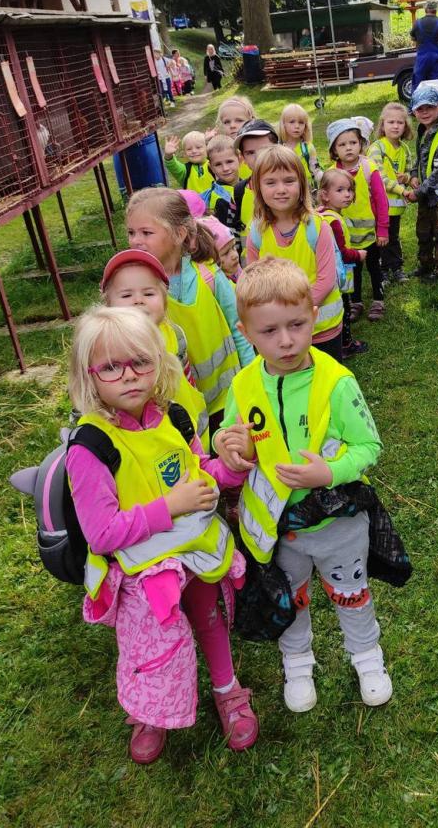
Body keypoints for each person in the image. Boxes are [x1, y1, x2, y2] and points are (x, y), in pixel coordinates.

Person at [66, 305, 258, 763]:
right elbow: (102, 534)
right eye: (111, 367)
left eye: (141, 362)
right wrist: (169, 507)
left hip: (192, 555)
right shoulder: (90, 447)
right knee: (152, 643)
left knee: (208, 619)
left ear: (159, 361)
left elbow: (198, 474)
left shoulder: (173, 417)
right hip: (143, 574)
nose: (129, 375)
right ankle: (149, 710)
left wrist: (230, 470)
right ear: (88, 376)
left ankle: (227, 690)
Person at [214, 256, 393, 713]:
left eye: (296, 325)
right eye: (269, 331)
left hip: (338, 524)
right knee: (289, 598)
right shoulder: (243, 386)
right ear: (246, 331)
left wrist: (328, 473)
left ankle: (366, 656)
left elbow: (369, 445)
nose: (286, 341)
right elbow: (233, 436)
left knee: (351, 594)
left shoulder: (336, 383)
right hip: (278, 531)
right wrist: (229, 446)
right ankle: (297, 663)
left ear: (314, 315)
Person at [125, 188, 254, 434]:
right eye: (131, 232)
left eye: (146, 232)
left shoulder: (208, 275)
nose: (136, 240)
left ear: (180, 234)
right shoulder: (136, 292)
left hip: (228, 399)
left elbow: (239, 327)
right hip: (178, 409)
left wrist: (251, 378)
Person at [245, 146, 343, 360]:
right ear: (257, 187)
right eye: (271, 182)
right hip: (280, 336)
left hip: (322, 330)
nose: (281, 189)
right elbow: (252, 282)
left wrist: (291, 318)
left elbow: (326, 281)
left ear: (301, 184)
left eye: (289, 181)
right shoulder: (256, 233)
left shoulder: (317, 227)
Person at [100, 248, 208, 440]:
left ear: (165, 301)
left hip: (192, 433)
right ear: (108, 305)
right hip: (150, 446)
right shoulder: (103, 350)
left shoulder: (175, 334)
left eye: (149, 294)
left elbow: (187, 381)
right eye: (126, 296)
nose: (138, 301)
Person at [327, 119, 388, 323]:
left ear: (361, 143)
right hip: (345, 237)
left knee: (374, 266)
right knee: (352, 269)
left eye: (353, 142)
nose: (348, 148)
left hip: (371, 234)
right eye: (342, 144)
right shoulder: (331, 174)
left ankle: (378, 300)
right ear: (334, 150)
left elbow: (381, 200)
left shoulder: (369, 168)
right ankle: (356, 302)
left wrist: (383, 230)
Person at [404, 85, 438, 281]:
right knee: (423, 231)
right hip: (426, 194)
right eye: (420, 109)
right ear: (414, 112)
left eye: (430, 107)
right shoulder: (423, 131)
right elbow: (420, 159)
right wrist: (413, 174)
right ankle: (426, 265)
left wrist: (418, 192)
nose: (425, 112)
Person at [317, 168, 368, 359]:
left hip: (329, 271)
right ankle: (345, 345)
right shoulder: (333, 221)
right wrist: (359, 255)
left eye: (349, 190)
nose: (347, 194)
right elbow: (342, 253)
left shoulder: (322, 214)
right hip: (338, 274)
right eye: (340, 190)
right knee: (344, 307)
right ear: (325, 195)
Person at [368, 103, 412, 286]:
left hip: (395, 207)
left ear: (405, 126)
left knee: (393, 237)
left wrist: (407, 177)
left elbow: (409, 171)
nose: (395, 126)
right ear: (382, 124)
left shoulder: (405, 149)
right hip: (379, 206)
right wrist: (403, 190)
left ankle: (396, 268)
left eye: (400, 122)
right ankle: (382, 271)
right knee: (380, 238)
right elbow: (380, 179)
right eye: (391, 122)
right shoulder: (377, 148)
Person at [233, 119, 279, 245]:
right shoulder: (239, 191)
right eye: (250, 153)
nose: (258, 156)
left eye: (264, 149)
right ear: (243, 157)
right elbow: (235, 229)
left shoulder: (291, 186)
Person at [278, 103, 323, 195]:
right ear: (283, 124)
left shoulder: (308, 147)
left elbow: (316, 170)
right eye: (292, 122)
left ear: (306, 126)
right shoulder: (278, 148)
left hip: (307, 191)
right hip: (285, 191)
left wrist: (327, 180)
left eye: (301, 122)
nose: (297, 126)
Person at [410, 0, 438, 90]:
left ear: (425, 9)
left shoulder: (417, 23)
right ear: (436, 10)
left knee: (418, 85)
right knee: (435, 85)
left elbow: (413, 38)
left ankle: (418, 98)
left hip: (422, 59)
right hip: (436, 59)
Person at [203, 135, 240, 238]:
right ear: (211, 167)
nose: (225, 168)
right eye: (218, 164)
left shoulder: (247, 185)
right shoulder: (219, 200)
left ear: (240, 159)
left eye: (229, 161)